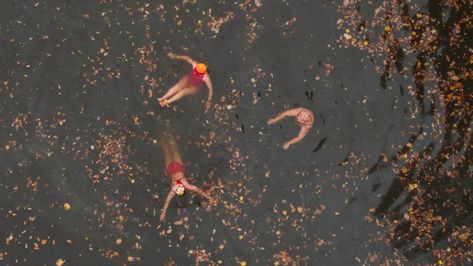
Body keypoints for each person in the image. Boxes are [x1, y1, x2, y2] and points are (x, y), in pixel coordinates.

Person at [159, 131, 214, 222]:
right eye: (181, 189)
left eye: (178, 190)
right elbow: (198, 190)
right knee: (174, 148)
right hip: (179, 166)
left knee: (166, 150)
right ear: (184, 190)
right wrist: (208, 197)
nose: (179, 188)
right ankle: (168, 131)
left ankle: (162, 136)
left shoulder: (174, 190)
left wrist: (163, 213)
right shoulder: (186, 185)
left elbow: (167, 201)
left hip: (170, 168)